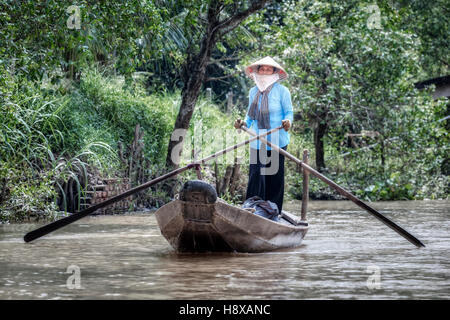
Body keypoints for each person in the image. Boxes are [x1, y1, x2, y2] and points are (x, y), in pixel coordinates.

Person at [234, 56, 293, 216]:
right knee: (256, 175)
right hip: (257, 140)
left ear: (275, 72)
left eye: (269, 69)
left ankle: (272, 211)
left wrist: (288, 122)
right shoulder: (254, 91)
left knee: (274, 175)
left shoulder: (282, 91)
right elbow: (250, 116)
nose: (265, 72)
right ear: (257, 71)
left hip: (277, 140)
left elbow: (289, 112)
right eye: (262, 69)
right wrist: (242, 123)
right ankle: (252, 208)